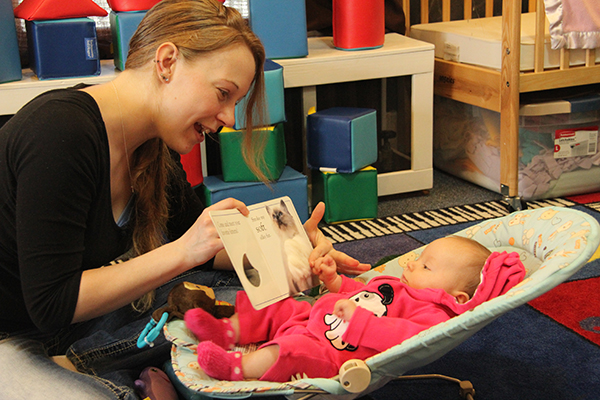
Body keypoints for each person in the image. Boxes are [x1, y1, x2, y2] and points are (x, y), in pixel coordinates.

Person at [0, 1, 368, 399]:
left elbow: (208, 252)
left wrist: (293, 251)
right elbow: (53, 302)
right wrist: (182, 252)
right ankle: (130, 378)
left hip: (83, 322)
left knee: (252, 298)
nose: (228, 117)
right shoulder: (60, 132)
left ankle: (138, 369)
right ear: (168, 62)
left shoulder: (154, 147)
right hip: (15, 332)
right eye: (223, 94)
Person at [185, 236, 526, 382]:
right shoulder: (400, 287)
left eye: (425, 267)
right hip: (316, 317)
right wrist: (335, 282)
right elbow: (363, 292)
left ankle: (237, 367)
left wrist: (359, 322)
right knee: (282, 307)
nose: (411, 265)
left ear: (457, 296)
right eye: (419, 258)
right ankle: (228, 330)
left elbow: (407, 336)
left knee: (292, 350)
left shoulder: (433, 314)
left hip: (331, 351)